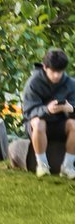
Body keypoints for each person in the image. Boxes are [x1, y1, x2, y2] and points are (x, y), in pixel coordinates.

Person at [23, 48, 75, 178]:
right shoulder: (33, 83)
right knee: (38, 122)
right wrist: (47, 110)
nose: (57, 75)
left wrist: (70, 109)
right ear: (45, 67)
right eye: (53, 71)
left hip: (60, 124)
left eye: (60, 72)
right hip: (38, 126)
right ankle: (42, 165)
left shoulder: (71, 84)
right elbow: (28, 112)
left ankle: (68, 166)